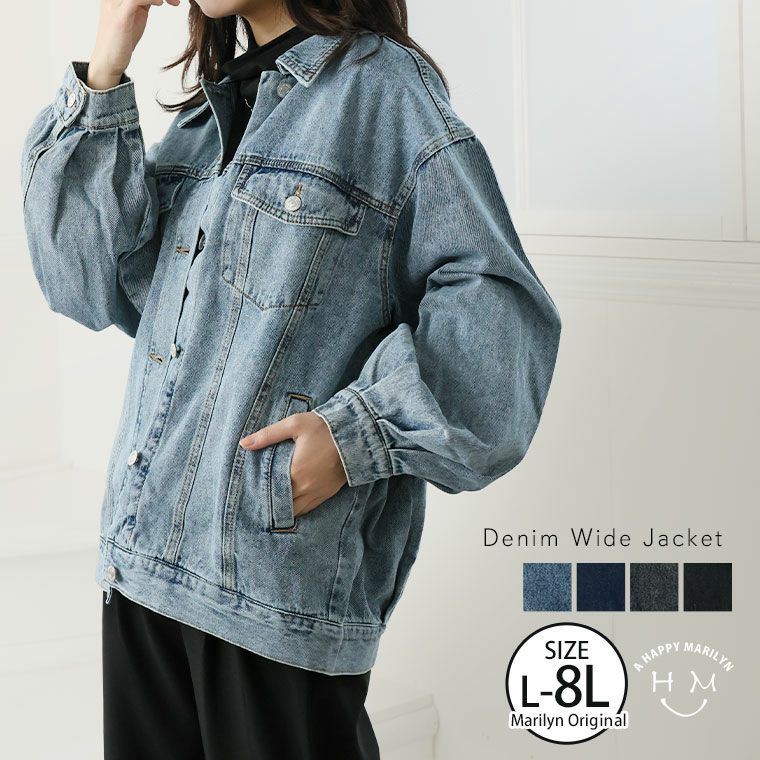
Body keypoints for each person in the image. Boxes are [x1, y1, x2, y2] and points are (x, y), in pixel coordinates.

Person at [19, 0, 562, 757]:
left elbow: (502, 321)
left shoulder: (382, 91)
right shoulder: (210, 113)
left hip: (268, 591)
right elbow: (83, 280)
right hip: (142, 566)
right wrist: (109, 57)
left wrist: (355, 437)